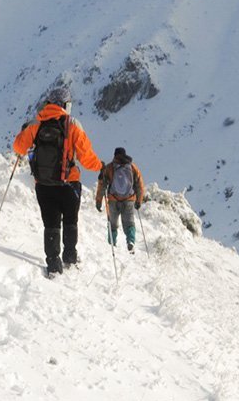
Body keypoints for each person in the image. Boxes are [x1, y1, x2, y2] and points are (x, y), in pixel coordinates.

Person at [13, 87, 103, 276]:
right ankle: (70, 257)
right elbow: (86, 158)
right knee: (70, 220)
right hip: (69, 184)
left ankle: (53, 264)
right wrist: (100, 166)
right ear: (65, 105)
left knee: (51, 223)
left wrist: (24, 132)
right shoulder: (72, 124)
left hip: (44, 184)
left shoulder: (37, 123)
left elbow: (18, 147)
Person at [96, 147, 145, 253]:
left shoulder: (109, 167)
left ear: (114, 155)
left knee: (112, 223)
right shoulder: (132, 167)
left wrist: (98, 201)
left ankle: (112, 244)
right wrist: (139, 201)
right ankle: (130, 241)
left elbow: (102, 185)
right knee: (129, 223)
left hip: (113, 200)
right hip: (129, 199)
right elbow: (139, 184)